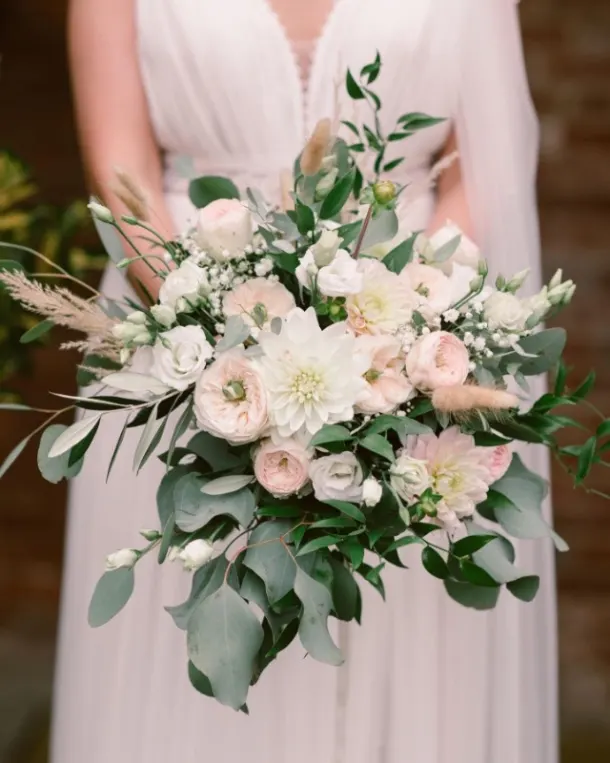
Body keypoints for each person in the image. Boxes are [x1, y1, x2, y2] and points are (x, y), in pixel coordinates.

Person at [51, 1, 557, 762]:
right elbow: (121, 173)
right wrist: (219, 337)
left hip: (412, 359)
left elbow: (490, 156)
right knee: (198, 623)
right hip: (182, 358)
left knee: (399, 637)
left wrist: (403, 334)